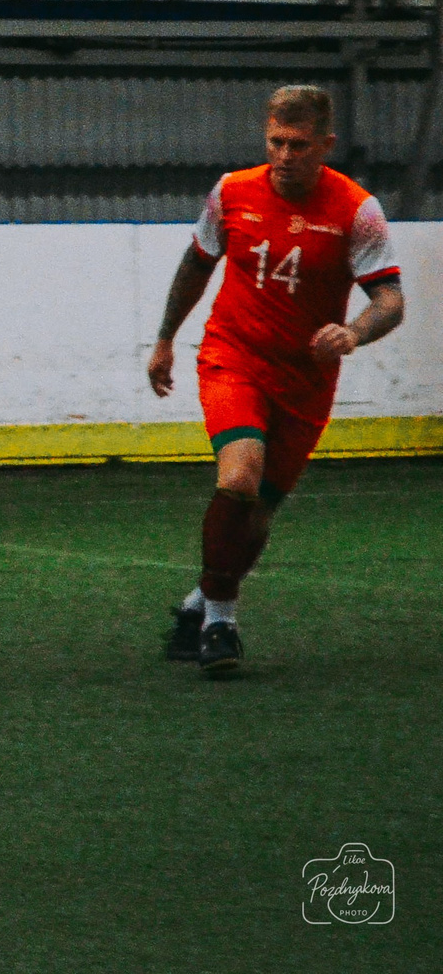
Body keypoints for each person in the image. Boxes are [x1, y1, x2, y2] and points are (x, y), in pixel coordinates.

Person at [147, 85, 402, 674]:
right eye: (276, 142)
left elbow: (390, 299)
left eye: (299, 145)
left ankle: (197, 606)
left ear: (326, 145)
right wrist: (164, 340)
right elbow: (196, 265)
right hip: (233, 356)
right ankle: (221, 624)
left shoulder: (357, 211)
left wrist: (353, 333)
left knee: (258, 513)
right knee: (239, 476)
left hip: (306, 379)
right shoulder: (231, 192)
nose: (285, 156)